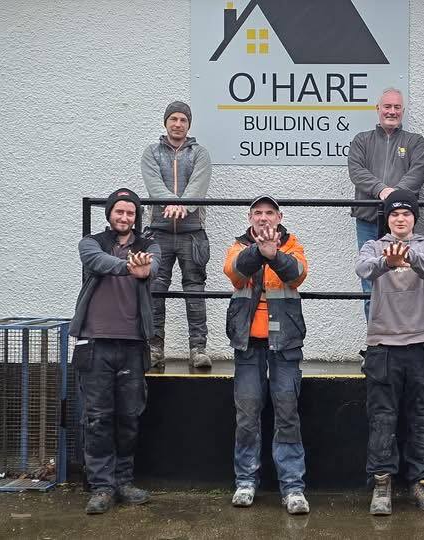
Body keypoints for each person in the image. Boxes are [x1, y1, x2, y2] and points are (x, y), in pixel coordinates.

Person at [355, 190, 424, 516]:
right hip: (383, 345)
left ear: (414, 218)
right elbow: (363, 269)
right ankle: (382, 484)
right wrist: (387, 261)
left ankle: (422, 483)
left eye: (406, 213)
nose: (400, 219)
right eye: (394, 214)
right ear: (387, 219)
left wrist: (408, 257)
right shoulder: (373, 246)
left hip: (420, 344)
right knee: (382, 419)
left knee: (421, 418)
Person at [70, 188, 160, 515]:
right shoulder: (91, 242)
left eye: (130, 212)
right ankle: (101, 486)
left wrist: (145, 269)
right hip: (95, 343)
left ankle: (123, 481)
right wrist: (129, 267)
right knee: (97, 418)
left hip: (133, 344)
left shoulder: (149, 245)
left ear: (137, 217)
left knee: (129, 417)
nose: (124, 217)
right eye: (119, 211)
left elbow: (154, 266)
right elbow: (97, 262)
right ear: (109, 214)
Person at [223, 195, 311, 515]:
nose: (263, 217)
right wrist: (259, 251)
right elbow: (233, 271)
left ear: (279, 217)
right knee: (247, 414)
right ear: (250, 217)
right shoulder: (238, 246)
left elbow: (298, 274)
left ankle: (293, 487)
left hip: (285, 342)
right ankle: (245, 481)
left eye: (269, 213)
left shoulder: (293, 245)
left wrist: (274, 255)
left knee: (287, 413)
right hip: (247, 342)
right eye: (258, 212)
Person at [141, 100, 213, 369]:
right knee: (155, 289)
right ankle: (155, 347)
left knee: (195, 291)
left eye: (183, 120)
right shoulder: (151, 152)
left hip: (192, 233)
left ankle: (198, 349)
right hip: (158, 233)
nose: (178, 124)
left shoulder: (200, 154)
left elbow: (198, 185)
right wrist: (171, 202)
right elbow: (153, 184)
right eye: (174, 119)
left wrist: (183, 206)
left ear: (189, 125)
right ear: (166, 122)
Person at [348, 88, 424, 319]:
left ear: (402, 111)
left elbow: (418, 172)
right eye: (387, 107)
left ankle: (401, 335)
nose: (391, 111)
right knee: (370, 282)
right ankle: (375, 337)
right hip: (368, 220)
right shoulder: (361, 140)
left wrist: (394, 197)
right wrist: (381, 190)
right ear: (378, 109)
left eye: (397, 107)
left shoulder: (415, 142)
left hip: (402, 223)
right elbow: (356, 171)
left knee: (403, 280)